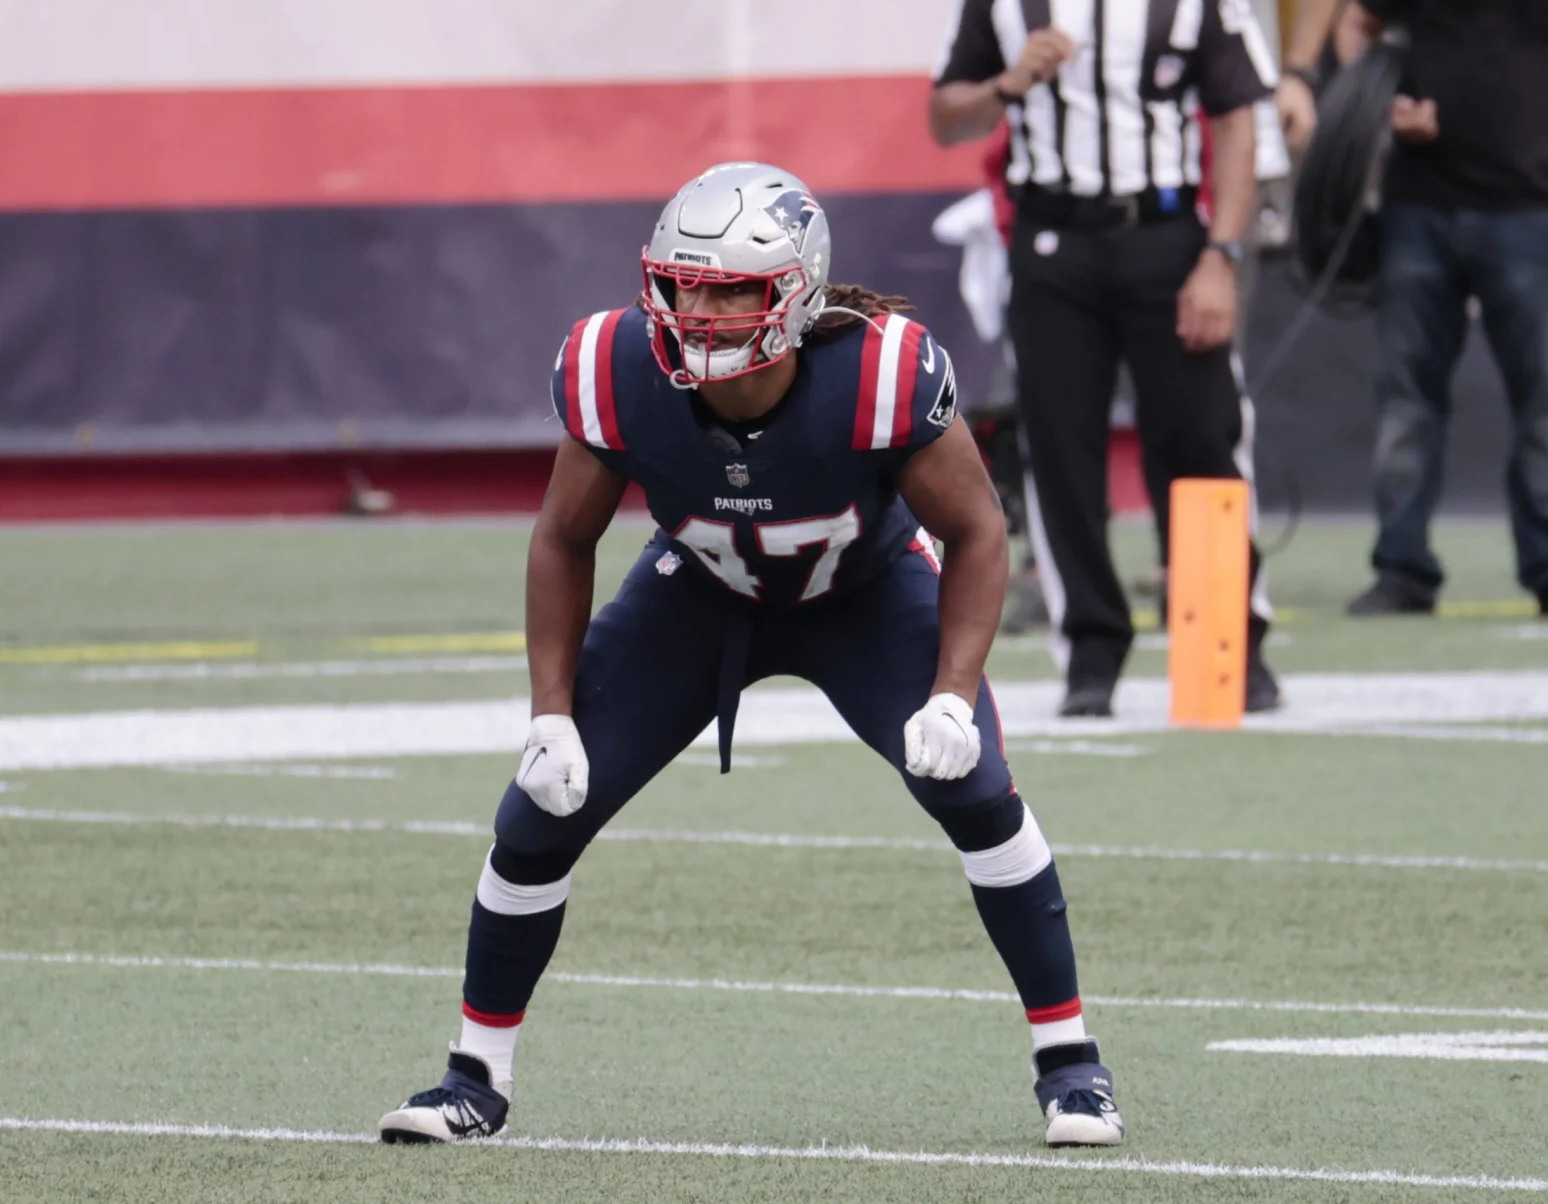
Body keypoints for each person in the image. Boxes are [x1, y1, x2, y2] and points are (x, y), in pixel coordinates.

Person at [376, 163, 1124, 1149]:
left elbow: (980, 531)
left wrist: (951, 692)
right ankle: (474, 1076)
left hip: (863, 593)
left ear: (796, 292)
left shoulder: (880, 372)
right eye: (683, 283)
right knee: (540, 810)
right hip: (700, 589)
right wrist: (550, 711)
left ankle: (1072, 1066)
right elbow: (564, 535)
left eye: (731, 287)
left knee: (976, 788)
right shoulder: (618, 366)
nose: (700, 309)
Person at [929, 0, 1282, 718]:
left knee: (1202, 437)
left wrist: (1222, 255)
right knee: (1060, 450)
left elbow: (1239, 117)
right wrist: (1007, 84)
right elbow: (945, 118)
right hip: (1054, 240)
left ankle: (1230, 640)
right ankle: (1090, 648)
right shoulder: (1002, 7)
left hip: (1167, 233)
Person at [1282, 1, 1548, 617]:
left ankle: (1543, 566)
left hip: (1530, 208)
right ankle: (1402, 569)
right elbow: (1357, 22)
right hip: (1421, 208)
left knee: (1541, 408)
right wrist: (1382, 104)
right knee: (1408, 400)